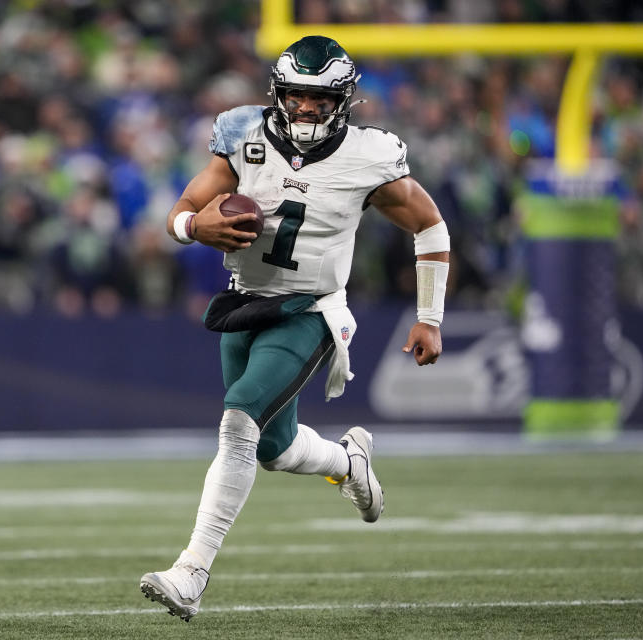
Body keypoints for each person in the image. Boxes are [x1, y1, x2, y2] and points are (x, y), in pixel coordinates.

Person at [139, 35, 450, 621]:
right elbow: (184, 207)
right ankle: (348, 463)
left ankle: (191, 573)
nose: (306, 108)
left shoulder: (371, 155)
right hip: (243, 303)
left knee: (238, 422)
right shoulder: (241, 133)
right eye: (297, 95)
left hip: (311, 310)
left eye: (319, 97)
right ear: (278, 93)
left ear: (344, 100)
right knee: (275, 450)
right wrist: (191, 229)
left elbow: (430, 227)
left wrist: (429, 318)